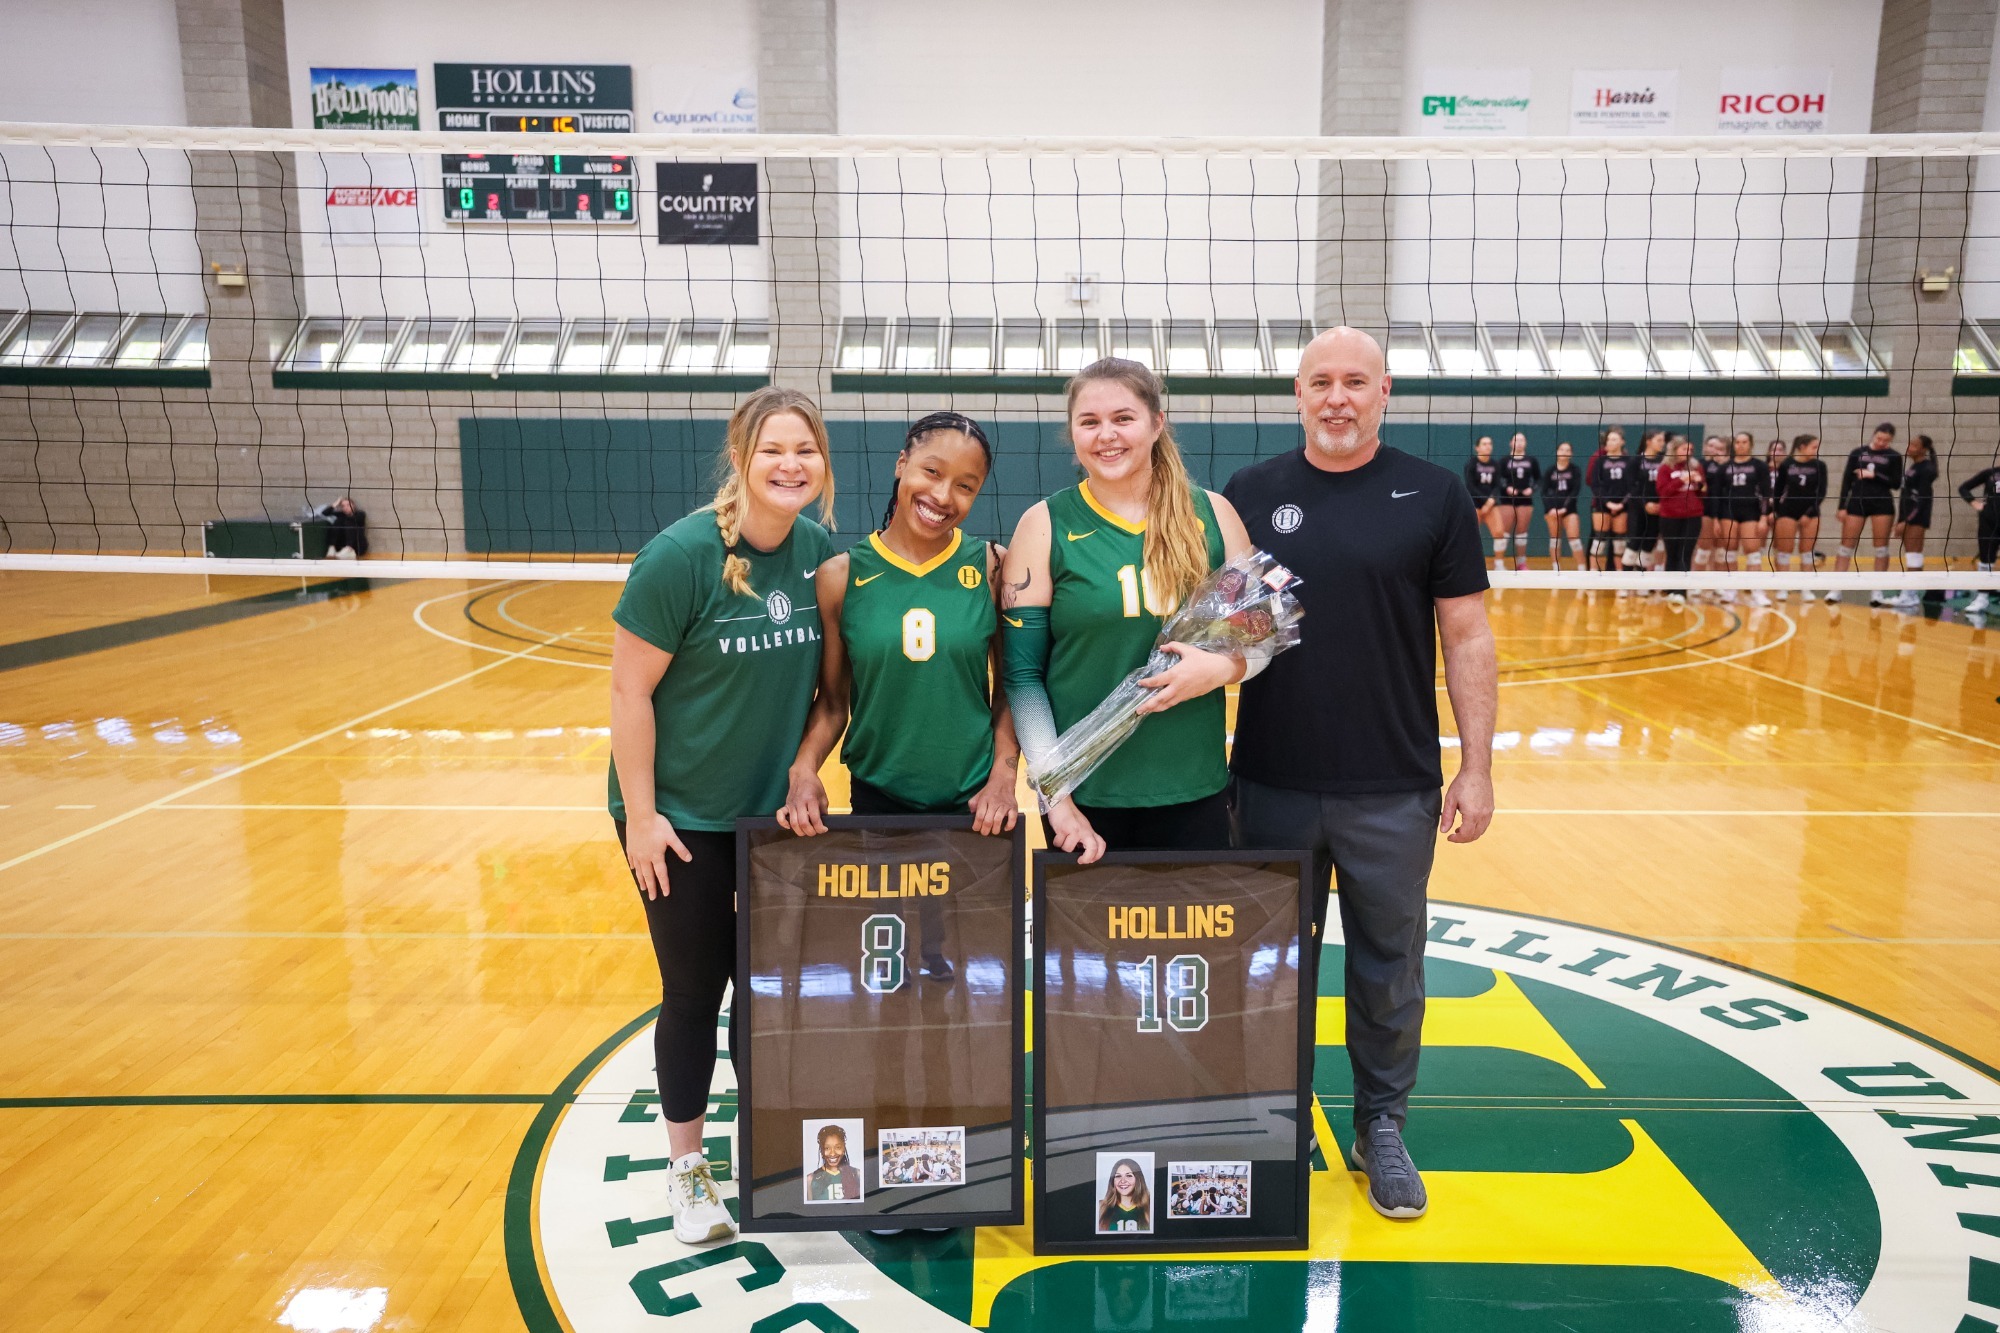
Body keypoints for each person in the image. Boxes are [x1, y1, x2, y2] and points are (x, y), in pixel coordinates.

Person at [1223, 327, 1497, 1222]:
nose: (1336, 398)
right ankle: (1275, 1118)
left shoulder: (1436, 493)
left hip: (1394, 783)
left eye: (1355, 381)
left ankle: (1381, 1124)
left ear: (1385, 392)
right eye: (1320, 382)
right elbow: (1217, 631)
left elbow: (1467, 635)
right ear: (1297, 395)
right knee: (1270, 969)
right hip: (1271, 778)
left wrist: (1477, 767)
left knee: (1389, 969)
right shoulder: (1249, 493)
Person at [608, 386, 835, 1246]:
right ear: (740, 458)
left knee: (766, 995)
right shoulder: (680, 556)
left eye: (805, 450)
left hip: (770, 820)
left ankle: (767, 1152)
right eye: (773, 449)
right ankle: (687, 1168)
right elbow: (629, 692)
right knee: (695, 990)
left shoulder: (818, 553)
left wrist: (805, 768)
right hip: (680, 817)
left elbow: (832, 693)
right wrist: (641, 816)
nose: (790, 464)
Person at [1000, 357, 1254, 862]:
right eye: (1089, 422)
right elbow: (1023, 678)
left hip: (1193, 789)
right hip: (1082, 802)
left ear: (1157, 424)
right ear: (1072, 433)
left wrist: (1222, 669)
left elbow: (1260, 638)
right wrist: (1055, 799)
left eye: (1123, 418)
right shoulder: (1044, 524)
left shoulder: (1214, 515)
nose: (1106, 435)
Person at [779, 411, 1021, 839]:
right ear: (902, 463)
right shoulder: (840, 576)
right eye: (932, 471)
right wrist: (803, 770)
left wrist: (1004, 779)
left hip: (977, 807)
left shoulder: (993, 567)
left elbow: (1008, 692)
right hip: (877, 803)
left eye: (965, 486)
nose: (943, 496)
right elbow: (833, 703)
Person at [1831, 422, 1903, 604]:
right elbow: (1846, 480)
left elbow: (1896, 483)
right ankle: (1836, 589)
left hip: (1882, 503)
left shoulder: (1894, 456)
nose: (1881, 442)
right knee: (1846, 546)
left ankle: (1877, 591)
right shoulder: (1858, 452)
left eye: (1886, 440)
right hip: (1857, 501)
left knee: (1881, 548)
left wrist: (1875, 475)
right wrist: (1842, 506)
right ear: (1874, 435)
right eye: (1879, 438)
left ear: (1891, 440)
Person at [1717, 433, 1773, 607]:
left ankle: (1757, 592)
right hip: (1728, 512)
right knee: (1730, 550)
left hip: (1751, 511)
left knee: (1752, 551)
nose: (1741, 445)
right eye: (1738, 442)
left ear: (1751, 444)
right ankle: (1730, 590)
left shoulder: (1759, 466)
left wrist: (1764, 517)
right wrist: (1716, 519)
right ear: (1733, 445)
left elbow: (1766, 493)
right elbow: (1716, 495)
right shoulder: (1724, 467)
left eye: (1744, 442)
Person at [1770, 434, 1827, 603]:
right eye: (1813, 447)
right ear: (1802, 447)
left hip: (1811, 512)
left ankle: (1806, 588)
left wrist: (1808, 514)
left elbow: (1821, 492)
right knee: (1784, 551)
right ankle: (1782, 587)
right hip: (1788, 511)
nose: (1816, 450)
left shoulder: (1820, 466)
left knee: (1807, 552)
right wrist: (1778, 512)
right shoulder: (1787, 464)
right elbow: (1778, 490)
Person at [1656, 436, 1707, 607]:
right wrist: (1681, 480)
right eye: (1684, 449)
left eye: (1690, 449)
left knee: (1686, 553)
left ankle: (1681, 592)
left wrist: (1699, 483)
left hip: (1692, 516)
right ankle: (1670, 589)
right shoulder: (1665, 468)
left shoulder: (1696, 466)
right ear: (1674, 449)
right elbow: (1663, 492)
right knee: (1672, 553)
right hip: (1670, 516)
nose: (1688, 452)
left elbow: (1704, 491)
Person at [1892, 434, 1939, 609]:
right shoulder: (1915, 466)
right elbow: (1906, 496)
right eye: (1909, 443)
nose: (1909, 447)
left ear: (1923, 449)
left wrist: (1907, 520)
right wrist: (1900, 519)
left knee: (1913, 555)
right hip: (1908, 516)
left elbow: (1923, 499)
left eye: (1914, 445)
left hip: (1917, 517)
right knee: (1913, 555)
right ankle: (1912, 594)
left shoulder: (1926, 469)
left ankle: (1909, 595)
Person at [1584, 429, 1635, 576]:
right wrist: (1608, 503)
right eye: (1608, 439)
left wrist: (1622, 504)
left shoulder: (1629, 461)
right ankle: (1593, 575)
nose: (1610, 442)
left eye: (1614, 439)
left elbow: (1632, 486)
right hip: (1602, 505)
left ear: (1622, 442)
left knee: (1619, 543)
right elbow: (1595, 485)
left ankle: (1620, 577)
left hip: (1622, 506)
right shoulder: (1600, 461)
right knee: (1599, 540)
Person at [1625, 430, 1668, 581]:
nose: (1662, 444)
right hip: (1638, 507)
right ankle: (1625, 582)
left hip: (1657, 507)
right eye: (1659, 440)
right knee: (1634, 542)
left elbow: (1666, 484)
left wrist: (1661, 503)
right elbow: (1631, 486)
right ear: (1648, 442)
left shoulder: (1664, 460)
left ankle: (1640, 581)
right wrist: (1645, 503)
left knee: (1649, 543)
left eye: (1663, 441)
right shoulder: (1635, 461)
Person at [1959, 459, 2000, 616]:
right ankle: (1982, 598)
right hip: (1989, 521)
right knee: (1986, 559)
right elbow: (1963, 488)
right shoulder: (1990, 473)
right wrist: (1975, 503)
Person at [1498, 432, 1541, 571]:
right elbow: (1498, 479)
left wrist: (1531, 489)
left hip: (1525, 500)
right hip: (1507, 500)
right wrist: (1507, 487)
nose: (1519, 443)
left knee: (1522, 532)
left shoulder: (1531, 460)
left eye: (1522, 440)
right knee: (1504, 532)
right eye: (1516, 440)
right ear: (1511, 443)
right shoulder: (1504, 461)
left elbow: (1538, 479)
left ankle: (1521, 563)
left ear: (1526, 443)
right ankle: (1499, 563)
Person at [1541, 441, 1583, 571]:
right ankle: (1556, 569)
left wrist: (1565, 508)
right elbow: (1544, 492)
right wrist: (1551, 509)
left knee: (1574, 539)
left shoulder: (1575, 470)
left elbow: (1575, 491)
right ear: (1557, 452)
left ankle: (1582, 568)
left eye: (1567, 450)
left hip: (1569, 510)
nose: (1564, 452)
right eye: (1562, 449)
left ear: (1571, 454)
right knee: (1555, 539)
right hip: (1552, 511)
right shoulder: (1550, 471)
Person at [1463, 437, 1504, 571]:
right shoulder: (1471, 463)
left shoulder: (1495, 464)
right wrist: (1485, 501)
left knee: (1499, 532)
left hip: (1491, 505)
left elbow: (1497, 485)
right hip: (1474, 504)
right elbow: (1470, 486)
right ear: (1477, 448)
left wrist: (1491, 500)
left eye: (1490, 444)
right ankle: (1470, 565)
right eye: (1484, 444)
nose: (1488, 446)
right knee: (1470, 535)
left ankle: (1499, 564)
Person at [1694, 435, 1729, 586]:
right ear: (1705, 447)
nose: (1714, 450)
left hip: (1725, 509)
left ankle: (1717, 584)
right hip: (1706, 509)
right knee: (1703, 549)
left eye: (1719, 448)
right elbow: (1700, 488)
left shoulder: (1729, 465)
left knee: (1721, 551)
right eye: (1711, 446)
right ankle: (1697, 584)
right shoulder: (1701, 465)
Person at [807, 1125, 863, 1202]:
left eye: (838, 1147)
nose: (832, 1153)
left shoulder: (858, 1174)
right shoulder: (810, 1179)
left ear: (844, 1148)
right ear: (821, 1150)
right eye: (827, 1148)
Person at [1098, 1159, 1152, 1233]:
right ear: (1113, 1181)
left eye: (1129, 1175)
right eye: (1118, 1176)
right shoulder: (1100, 1207)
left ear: (1138, 1179)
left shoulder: (1151, 1207)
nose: (1123, 1181)